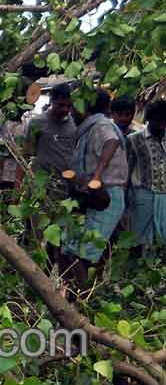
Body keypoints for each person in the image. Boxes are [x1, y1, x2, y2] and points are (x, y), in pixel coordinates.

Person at [65, 88, 128, 283]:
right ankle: (81, 297)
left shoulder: (101, 125)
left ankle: (83, 301)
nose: (71, 111)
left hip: (105, 195)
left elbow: (111, 142)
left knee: (80, 253)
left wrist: (97, 176)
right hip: (94, 195)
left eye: (75, 107)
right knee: (72, 248)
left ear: (85, 108)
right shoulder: (90, 127)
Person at [126, 99, 166, 253]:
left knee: (162, 240)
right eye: (158, 121)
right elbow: (127, 170)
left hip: (164, 195)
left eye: (164, 122)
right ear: (149, 119)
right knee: (139, 238)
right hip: (142, 195)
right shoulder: (134, 139)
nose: (162, 126)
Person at [25, 83, 77, 195]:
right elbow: (26, 155)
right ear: (52, 101)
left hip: (65, 186)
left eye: (69, 106)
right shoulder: (37, 123)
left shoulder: (75, 125)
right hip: (41, 185)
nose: (65, 110)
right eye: (61, 105)